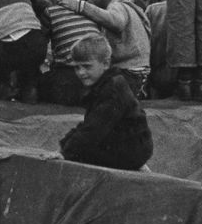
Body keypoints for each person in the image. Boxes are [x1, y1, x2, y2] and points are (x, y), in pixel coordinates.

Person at [50, 0, 155, 93]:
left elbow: (116, 21)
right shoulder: (130, 5)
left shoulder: (118, 5)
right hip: (135, 73)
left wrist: (81, 6)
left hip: (128, 72)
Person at [57, 35, 152, 170]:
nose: (81, 73)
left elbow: (94, 128)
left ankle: (135, 164)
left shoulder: (113, 89)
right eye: (77, 67)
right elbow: (89, 122)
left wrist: (66, 153)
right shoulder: (104, 85)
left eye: (87, 66)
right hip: (128, 144)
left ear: (106, 64)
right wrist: (64, 145)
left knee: (81, 153)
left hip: (131, 149)